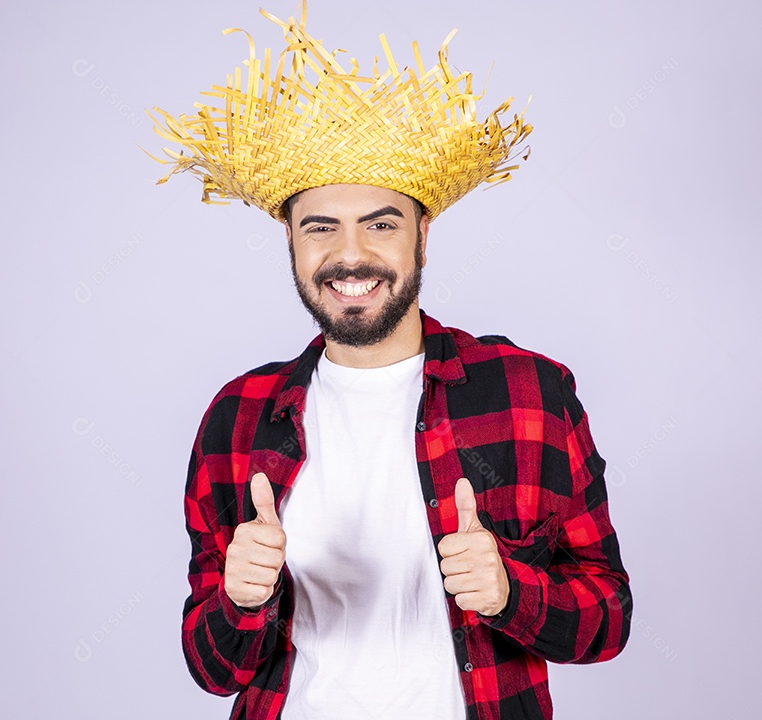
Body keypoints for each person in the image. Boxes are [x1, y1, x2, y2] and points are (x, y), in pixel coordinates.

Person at [146, 4, 631, 719]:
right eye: (321, 227)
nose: (351, 256)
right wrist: (240, 599)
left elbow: (608, 617)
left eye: (380, 224)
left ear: (422, 236)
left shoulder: (531, 394)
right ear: (290, 240)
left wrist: (509, 594)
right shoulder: (237, 418)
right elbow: (212, 669)